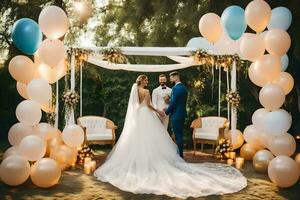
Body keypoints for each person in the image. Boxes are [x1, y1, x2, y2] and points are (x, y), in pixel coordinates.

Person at [94, 75, 247, 198]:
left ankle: (138, 161)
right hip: (147, 114)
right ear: (142, 81)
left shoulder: (135, 90)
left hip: (137, 117)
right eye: (146, 80)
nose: (148, 81)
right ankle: (154, 159)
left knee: (138, 138)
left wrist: (162, 110)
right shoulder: (147, 91)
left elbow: (136, 106)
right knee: (153, 137)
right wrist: (158, 111)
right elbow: (148, 105)